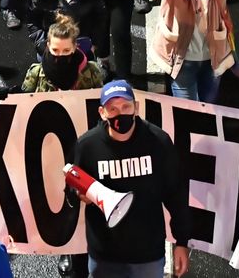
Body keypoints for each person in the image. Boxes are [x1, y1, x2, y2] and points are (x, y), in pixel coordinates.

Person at [71, 80, 192, 277]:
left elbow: (176, 194)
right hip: (105, 255)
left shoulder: (159, 142)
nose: (120, 114)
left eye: (125, 106)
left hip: (148, 254)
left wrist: (182, 242)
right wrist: (78, 193)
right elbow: (72, 188)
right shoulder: (87, 146)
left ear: (136, 107)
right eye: (113, 109)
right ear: (102, 113)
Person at [22, 13, 105, 92]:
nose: (60, 55)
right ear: (48, 46)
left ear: (74, 47)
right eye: (55, 50)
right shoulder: (35, 73)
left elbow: (99, 96)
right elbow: (24, 99)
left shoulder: (92, 70)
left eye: (66, 50)